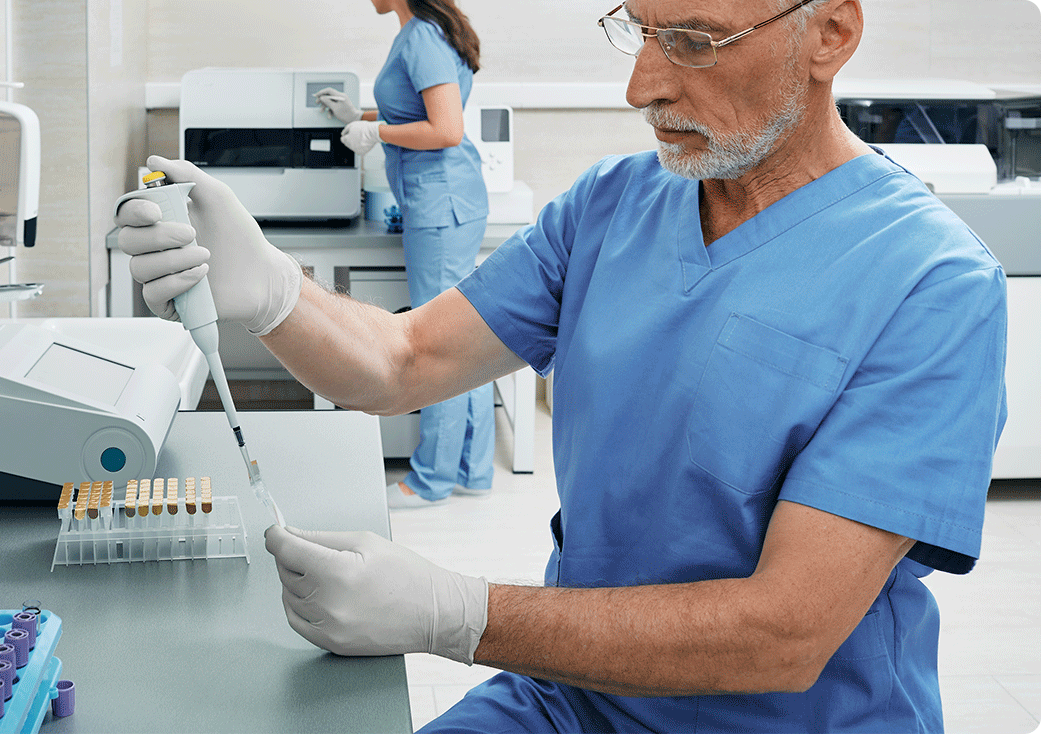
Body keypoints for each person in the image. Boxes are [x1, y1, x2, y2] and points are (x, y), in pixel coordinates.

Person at [115, 0, 1009, 730]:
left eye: (692, 40)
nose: (641, 85)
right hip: (572, 697)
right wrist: (273, 289)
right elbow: (403, 359)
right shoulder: (612, 207)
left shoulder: (930, 283)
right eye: (637, 29)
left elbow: (781, 635)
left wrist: (459, 613)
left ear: (831, 34)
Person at [313, 0, 495, 509]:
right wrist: (362, 116)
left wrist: (377, 133)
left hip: (440, 205)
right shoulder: (423, 32)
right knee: (467, 336)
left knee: (440, 343)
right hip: (443, 201)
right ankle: (472, 470)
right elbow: (417, 110)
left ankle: (431, 480)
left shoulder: (422, 39)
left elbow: (446, 129)